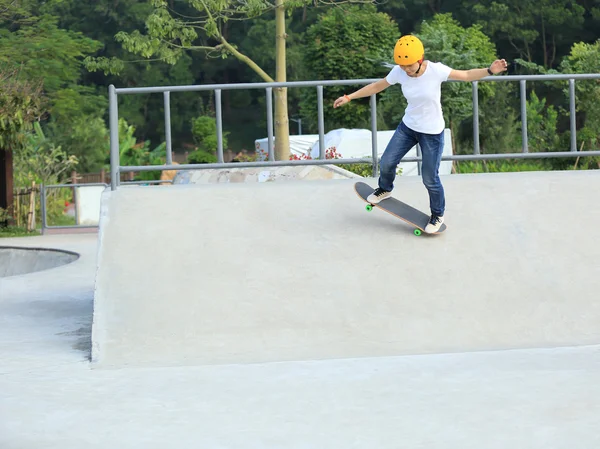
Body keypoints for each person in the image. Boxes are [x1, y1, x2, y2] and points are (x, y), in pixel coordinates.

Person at [333, 35, 508, 233]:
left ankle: (437, 215)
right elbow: (377, 86)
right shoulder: (399, 72)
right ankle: (385, 189)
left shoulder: (436, 70)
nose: (405, 70)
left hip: (432, 133)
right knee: (387, 161)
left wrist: (489, 71)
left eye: (409, 65)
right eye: (402, 65)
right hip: (408, 128)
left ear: (420, 59)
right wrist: (349, 97)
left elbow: (466, 75)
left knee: (429, 178)